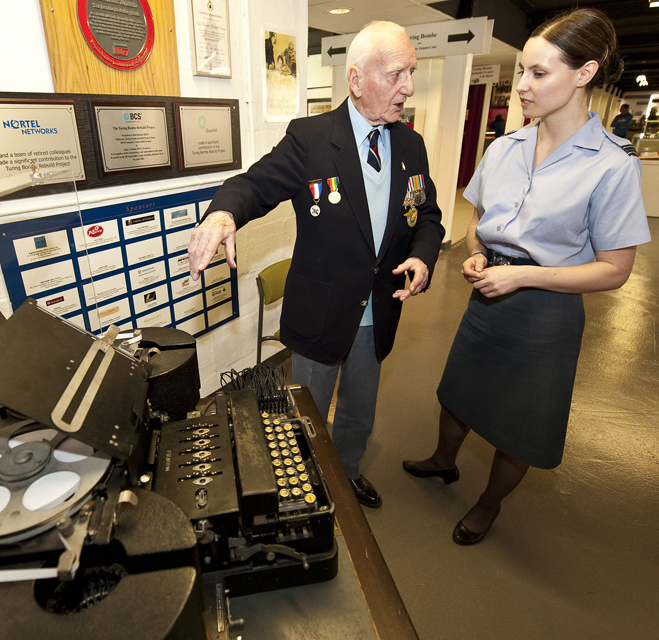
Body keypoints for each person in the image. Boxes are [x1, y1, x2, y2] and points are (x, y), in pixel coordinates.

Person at [402, 8, 651, 545]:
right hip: (486, 296)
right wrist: (474, 253)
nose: (523, 86)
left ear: (583, 74)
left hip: (546, 312)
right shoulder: (505, 147)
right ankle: (444, 461)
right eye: (523, 72)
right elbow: (478, 225)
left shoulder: (611, 165)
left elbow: (615, 270)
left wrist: (525, 278)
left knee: (519, 425)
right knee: (457, 394)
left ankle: (488, 504)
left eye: (539, 74)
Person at [188, 21, 444, 508]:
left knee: (359, 410)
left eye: (410, 72)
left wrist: (422, 255)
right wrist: (223, 213)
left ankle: (345, 476)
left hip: (379, 310)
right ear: (355, 79)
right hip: (321, 311)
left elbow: (426, 214)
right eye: (395, 74)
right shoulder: (310, 138)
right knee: (304, 410)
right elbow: (255, 184)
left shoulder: (411, 145)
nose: (408, 87)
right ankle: (304, 482)